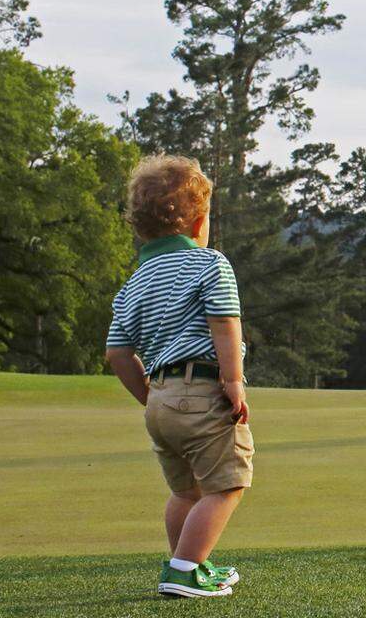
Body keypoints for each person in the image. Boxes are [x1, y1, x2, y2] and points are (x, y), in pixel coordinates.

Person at [105, 155, 253, 598]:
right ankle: (185, 569)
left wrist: (149, 396)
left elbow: (117, 352)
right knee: (227, 484)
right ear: (198, 223)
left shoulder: (133, 283)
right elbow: (225, 321)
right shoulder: (210, 263)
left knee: (186, 491)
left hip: (160, 400)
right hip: (203, 390)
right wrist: (233, 380)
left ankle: (189, 563)